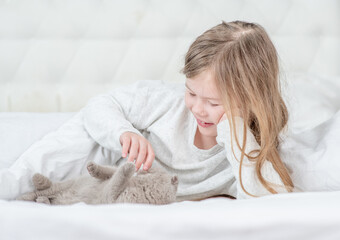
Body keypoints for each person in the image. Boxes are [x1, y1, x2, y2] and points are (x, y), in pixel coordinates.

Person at [0, 20, 294, 201]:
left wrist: (235, 129)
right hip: (103, 148)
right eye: (191, 92)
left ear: (252, 99)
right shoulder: (166, 101)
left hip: (115, 185)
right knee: (72, 140)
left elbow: (269, 201)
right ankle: (13, 180)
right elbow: (100, 106)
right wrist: (124, 132)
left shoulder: (248, 149)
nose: (198, 108)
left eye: (214, 103)